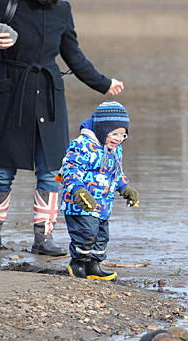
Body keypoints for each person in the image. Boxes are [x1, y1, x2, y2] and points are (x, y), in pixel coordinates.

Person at [0, 0, 125, 256]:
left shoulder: (62, 9)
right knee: (2, 172)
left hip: (49, 98)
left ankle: (44, 238)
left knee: (51, 172)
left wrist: (103, 83)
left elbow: (73, 55)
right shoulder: (5, 5)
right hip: (10, 96)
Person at [58, 101, 139, 280]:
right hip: (81, 203)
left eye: (123, 135)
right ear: (103, 130)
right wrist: (78, 190)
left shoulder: (115, 150)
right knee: (86, 233)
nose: (118, 138)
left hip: (103, 204)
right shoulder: (82, 145)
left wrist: (125, 187)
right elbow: (69, 169)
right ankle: (78, 263)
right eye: (114, 133)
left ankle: (94, 265)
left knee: (101, 236)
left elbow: (117, 173)